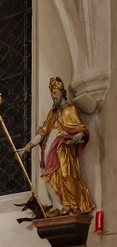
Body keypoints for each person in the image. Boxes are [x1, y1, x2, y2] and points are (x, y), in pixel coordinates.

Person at [18, 76, 95, 214]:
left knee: (66, 175)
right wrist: (27, 147)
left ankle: (72, 205)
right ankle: (59, 206)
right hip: (50, 149)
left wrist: (80, 134)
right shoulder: (52, 113)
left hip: (64, 148)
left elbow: (79, 127)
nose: (53, 97)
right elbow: (42, 132)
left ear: (62, 92)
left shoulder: (70, 108)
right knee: (49, 177)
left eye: (54, 93)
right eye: (51, 94)